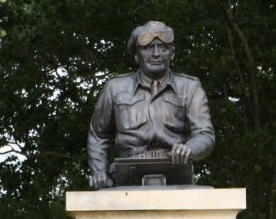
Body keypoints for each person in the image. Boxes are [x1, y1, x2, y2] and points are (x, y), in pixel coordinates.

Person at [87, 21, 215, 188]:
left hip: (176, 175)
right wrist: (99, 172)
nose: (156, 54)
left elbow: (205, 133)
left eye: (163, 47)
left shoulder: (190, 87)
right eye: (147, 48)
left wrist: (189, 149)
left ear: (172, 53)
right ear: (135, 55)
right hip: (126, 177)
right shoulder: (115, 87)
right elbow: (98, 134)